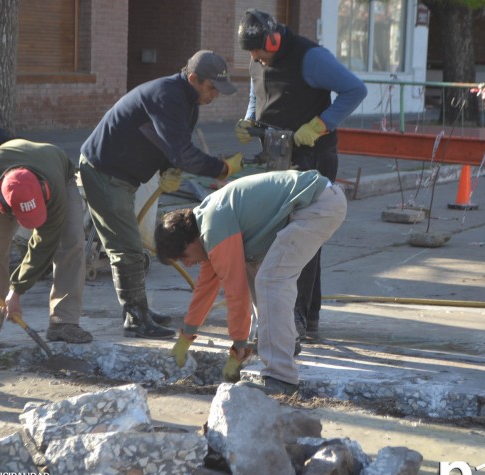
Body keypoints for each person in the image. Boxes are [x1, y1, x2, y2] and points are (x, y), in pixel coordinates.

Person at [79, 50, 244, 340]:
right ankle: (136, 320)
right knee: (127, 249)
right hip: (104, 171)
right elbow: (183, 153)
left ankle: (141, 312)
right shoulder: (167, 95)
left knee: (130, 248)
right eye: (212, 87)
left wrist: (169, 168)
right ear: (194, 78)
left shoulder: (187, 100)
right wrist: (220, 168)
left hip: (122, 174)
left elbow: (172, 146)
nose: (216, 94)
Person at [235, 9, 366, 343]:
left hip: (312, 154)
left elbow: (355, 90)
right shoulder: (258, 57)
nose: (254, 59)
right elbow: (256, 90)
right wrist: (251, 119)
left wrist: (321, 124)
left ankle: (301, 316)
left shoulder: (311, 58)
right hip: (276, 153)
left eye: (257, 52)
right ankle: (300, 314)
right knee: (280, 236)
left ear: (274, 40)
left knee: (304, 235)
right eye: (249, 54)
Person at [155, 170, 347, 396]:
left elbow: (236, 294)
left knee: (270, 281)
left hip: (316, 206)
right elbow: (205, 289)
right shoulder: (206, 225)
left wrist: (238, 346)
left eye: (182, 257)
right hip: (316, 202)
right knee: (257, 273)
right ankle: (283, 342)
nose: (187, 264)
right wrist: (186, 336)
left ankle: (281, 377)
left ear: (188, 241)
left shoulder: (214, 228)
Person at [0, 140, 92, 350]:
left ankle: (63, 322)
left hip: (58, 174)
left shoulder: (53, 189)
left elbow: (43, 246)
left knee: (72, 243)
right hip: (3, 178)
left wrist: (16, 291)